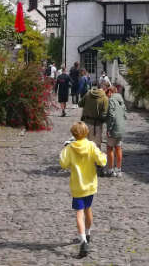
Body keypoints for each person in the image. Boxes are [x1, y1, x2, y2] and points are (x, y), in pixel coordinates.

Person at [59, 121, 107, 259]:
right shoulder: (91, 146)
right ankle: (88, 233)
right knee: (88, 209)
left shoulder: (70, 148)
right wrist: (102, 155)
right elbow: (102, 161)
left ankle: (83, 241)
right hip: (90, 185)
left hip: (77, 186)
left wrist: (64, 149)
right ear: (86, 133)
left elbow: (63, 163)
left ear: (73, 134)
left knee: (79, 213)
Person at [104, 85, 126, 177]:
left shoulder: (112, 100)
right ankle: (119, 170)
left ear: (110, 92)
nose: (107, 96)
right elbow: (125, 114)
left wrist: (109, 129)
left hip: (114, 128)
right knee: (118, 148)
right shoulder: (121, 100)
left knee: (109, 148)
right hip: (121, 128)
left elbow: (112, 115)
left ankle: (110, 170)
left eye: (107, 93)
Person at [78, 84, 109, 148]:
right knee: (96, 146)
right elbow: (104, 114)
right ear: (105, 89)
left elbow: (80, 104)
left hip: (85, 123)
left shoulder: (88, 94)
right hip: (97, 125)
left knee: (85, 145)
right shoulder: (104, 98)